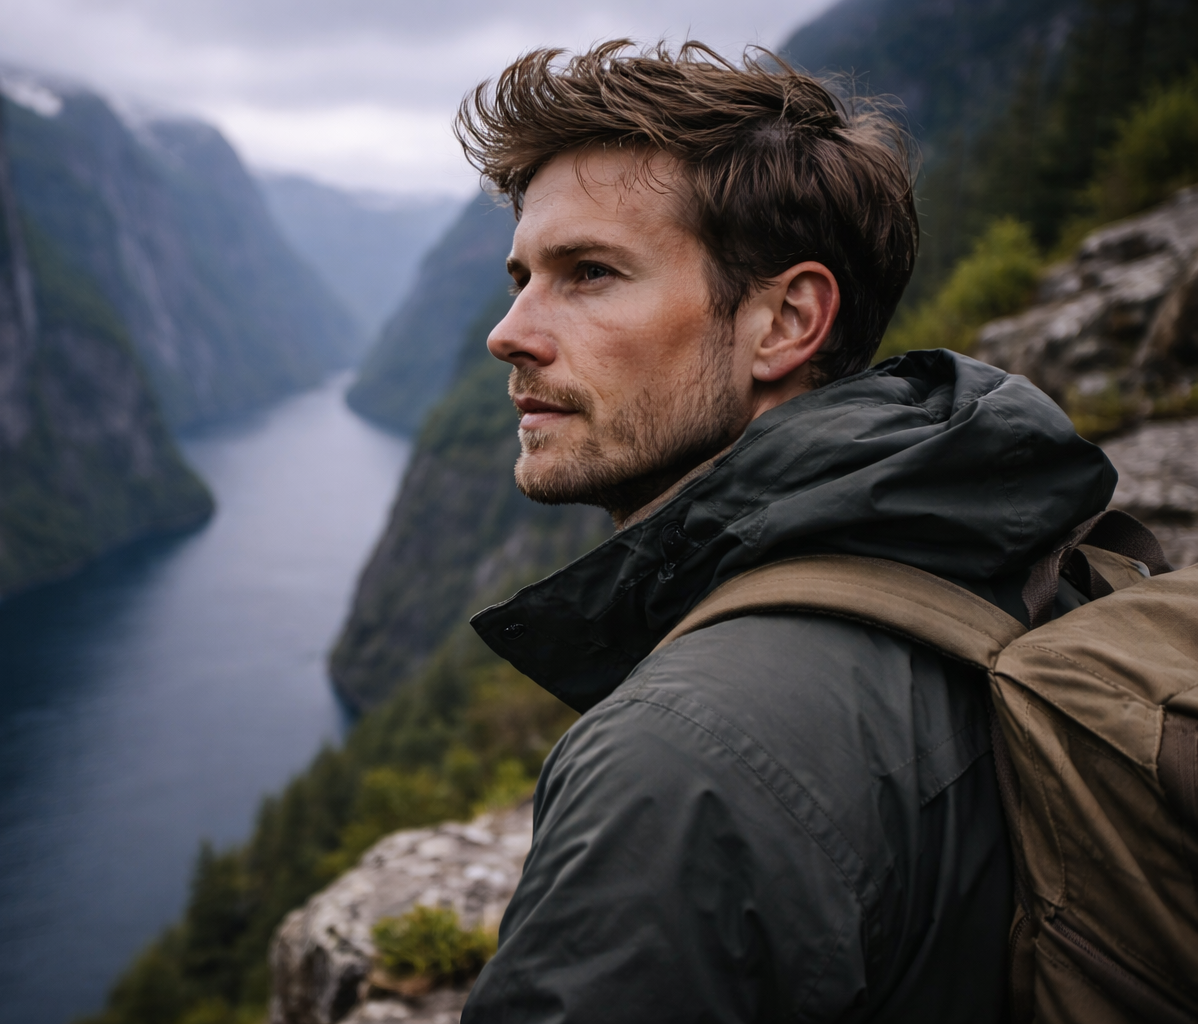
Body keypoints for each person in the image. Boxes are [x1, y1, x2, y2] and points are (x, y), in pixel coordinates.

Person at [456, 42, 1116, 1023]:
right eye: (521, 276)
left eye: (589, 272)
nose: (508, 331)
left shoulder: (683, 765)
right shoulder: (1008, 557)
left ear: (785, 321)